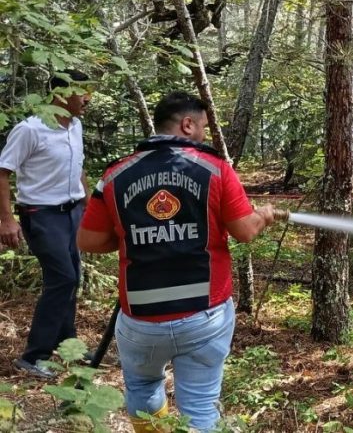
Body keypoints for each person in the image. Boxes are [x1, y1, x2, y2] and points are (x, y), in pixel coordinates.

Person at [77, 91, 276, 432]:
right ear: (187, 124)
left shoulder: (114, 175)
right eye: (201, 126)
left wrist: (131, 236)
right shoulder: (215, 170)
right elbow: (244, 231)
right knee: (198, 406)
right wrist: (263, 215)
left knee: (141, 389)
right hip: (204, 315)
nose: (203, 134)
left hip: (141, 318)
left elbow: (89, 240)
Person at [0, 70, 93, 379]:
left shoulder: (76, 126)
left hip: (72, 213)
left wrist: (89, 204)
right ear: (60, 95)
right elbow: (3, 172)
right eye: (81, 92)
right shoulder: (31, 129)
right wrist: (6, 220)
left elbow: (77, 168)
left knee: (72, 277)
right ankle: (34, 355)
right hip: (41, 214)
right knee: (62, 279)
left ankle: (69, 347)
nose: (87, 98)